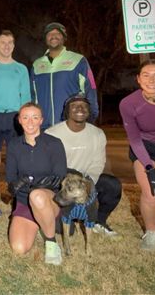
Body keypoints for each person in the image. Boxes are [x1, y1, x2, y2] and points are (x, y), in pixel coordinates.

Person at [46, 94, 122, 236]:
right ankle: (66, 215)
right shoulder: (52, 133)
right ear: (67, 111)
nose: (80, 108)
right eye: (74, 106)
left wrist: (88, 183)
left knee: (112, 185)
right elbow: (49, 165)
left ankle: (98, 221)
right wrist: (68, 182)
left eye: (84, 106)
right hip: (61, 182)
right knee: (64, 231)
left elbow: (98, 163)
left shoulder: (97, 134)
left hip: (85, 180)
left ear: (89, 110)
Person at [6, 102, 67, 265]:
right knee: (19, 248)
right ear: (19, 120)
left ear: (41, 120)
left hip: (48, 200)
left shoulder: (54, 143)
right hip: (24, 201)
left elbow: (59, 177)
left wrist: (29, 181)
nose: (30, 122)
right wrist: (15, 185)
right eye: (25, 117)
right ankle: (41, 222)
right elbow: (11, 181)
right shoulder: (14, 145)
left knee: (37, 196)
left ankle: (51, 243)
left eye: (35, 117)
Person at [119, 59, 155, 251]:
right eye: (146, 75)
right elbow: (135, 139)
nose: (151, 80)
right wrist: (149, 168)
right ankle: (151, 233)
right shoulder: (129, 103)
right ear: (138, 79)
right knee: (151, 193)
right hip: (145, 148)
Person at [0, 30, 31, 217]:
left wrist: (26, 119)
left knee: (17, 162)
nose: (6, 46)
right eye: (3, 42)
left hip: (15, 118)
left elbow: (26, 96)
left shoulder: (21, 69)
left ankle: (18, 203)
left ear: (13, 45)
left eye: (10, 42)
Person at [31, 22, 99, 129]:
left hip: (70, 125)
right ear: (45, 38)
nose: (53, 36)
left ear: (64, 38)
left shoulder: (79, 60)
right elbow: (32, 97)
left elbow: (90, 89)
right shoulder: (37, 65)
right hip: (44, 127)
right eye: (50, 34)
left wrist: (91, 118)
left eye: (58, 33)